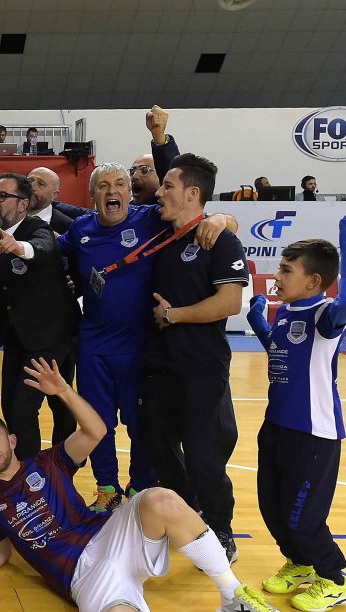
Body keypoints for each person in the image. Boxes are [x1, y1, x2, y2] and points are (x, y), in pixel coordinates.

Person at [0, 358, 294, 612]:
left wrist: (63, 391)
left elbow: (96, 430)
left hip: (109, 537)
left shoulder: (48, 461)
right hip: (80, 579)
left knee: (160, 499)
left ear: (11, 440)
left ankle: (234, 593)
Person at [57, 162, 236, 514]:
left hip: (141, 347)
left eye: (120, 184)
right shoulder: (80, 230)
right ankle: (107, 488)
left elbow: (201, 215)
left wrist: (222, 219)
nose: (112, 191)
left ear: (129, 192)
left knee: (143, 426)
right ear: (92, 195)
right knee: (97, 423)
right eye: (103, 186)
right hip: (94, 347)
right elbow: (48, 250)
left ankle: (140, 486)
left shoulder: (151, 218)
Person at [247, 217, 346, 612]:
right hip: (276, 426)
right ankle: (300, 563)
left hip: (312, 435)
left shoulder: (325, 315)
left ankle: (334, 579)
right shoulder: (287, 312)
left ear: (313, 281)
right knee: (272, 506)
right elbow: (283, 352)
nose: (277, 277)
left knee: (302, 516)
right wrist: (260, 326)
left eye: (285, 270)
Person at [141, 154, 249, 559]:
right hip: (159, 365)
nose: (159, 192)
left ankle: (222, 531)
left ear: (192, 193)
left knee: (204, 455)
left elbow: (230, 302)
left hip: (201, 366)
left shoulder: (220, 239)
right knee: (163, 451)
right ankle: (189, 519)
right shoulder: (162, 235)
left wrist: (175, 315)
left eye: (168, 186)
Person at [0, 173, 79, 458]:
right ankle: (29, 469)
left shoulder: (36, 228)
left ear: (23, 204)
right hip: (19, 335)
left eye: (3, 196)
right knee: (10, 406)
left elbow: (44, 246)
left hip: (51, 334)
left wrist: (19, 247)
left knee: (38, 407)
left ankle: (57, 468)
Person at [26, 167, 75, 234]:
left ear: (54, 195)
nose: (32, 186)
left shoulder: (68, 227)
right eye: (29, 181)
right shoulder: (11, 213)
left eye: (41, 184)